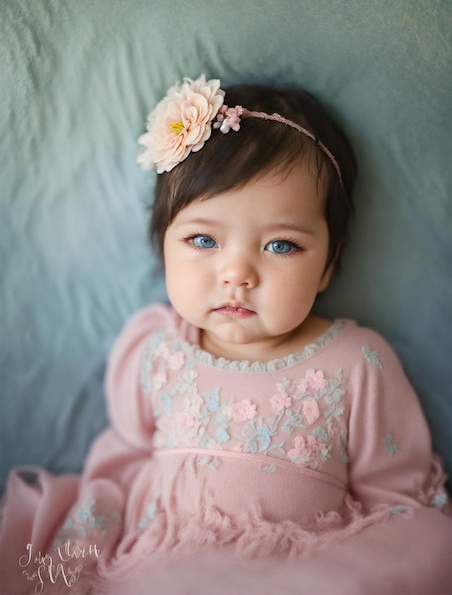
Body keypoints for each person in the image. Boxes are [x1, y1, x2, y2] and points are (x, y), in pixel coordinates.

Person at [0, 75, 450, 595]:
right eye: (204, 239)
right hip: (162, 569)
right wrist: (80, 556)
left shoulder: (356, 362)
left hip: (302, 576)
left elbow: (397, 501)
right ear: (162, 245)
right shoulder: (157, 349)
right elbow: (120, 470)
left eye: (281, 246)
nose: (237, 273)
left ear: (329, 265)